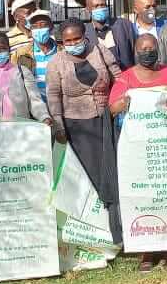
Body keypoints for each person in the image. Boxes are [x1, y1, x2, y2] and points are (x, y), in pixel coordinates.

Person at [107, 34, 167, 273]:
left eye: (151, 48)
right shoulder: (126, 78)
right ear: (135, 51)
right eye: (143, 48)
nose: (148, 52)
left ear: (158, 50)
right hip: (139, 149)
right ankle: (147, 251)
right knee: (144, 196)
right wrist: (121, 104)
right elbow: (112, 109)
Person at [46, 21, 124, 245]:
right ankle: (97, 237)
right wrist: (59, 126)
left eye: (76, 39)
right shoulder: (56, 63)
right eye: (68, 41)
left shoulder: (99, 51)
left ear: (85, 37)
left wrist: (119, 103)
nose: (73, 44)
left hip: (105, 121)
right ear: (62, 42)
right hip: (76, 127)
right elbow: (53, 96)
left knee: (111, 172)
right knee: (90, 178)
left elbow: (119, 78)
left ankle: (118, 233)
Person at [7, 9, 60, 95]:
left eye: (43, 25)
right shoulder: (21, 54)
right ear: (30, 30)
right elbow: (13, 81)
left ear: (51, 27)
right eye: (35, 26)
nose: (39, 29)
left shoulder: (62, 52)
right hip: (34, 105)